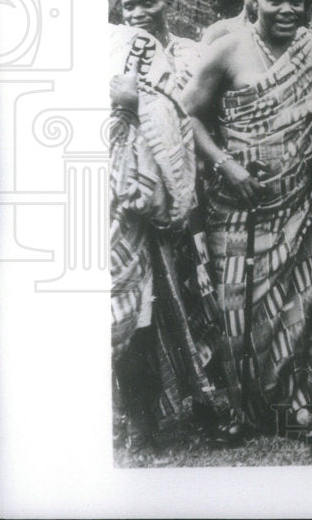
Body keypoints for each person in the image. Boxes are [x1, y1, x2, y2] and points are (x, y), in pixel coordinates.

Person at [181, 0, 312, 439]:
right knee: (237, 300)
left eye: (297, 2)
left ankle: (299, 405)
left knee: (302, 298)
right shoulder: (226, 50)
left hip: (300, 196)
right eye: (276, 0)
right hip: (239, 201)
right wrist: (225, 163)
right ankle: (239, 408)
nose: (288, 10)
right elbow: (188, 113)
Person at [110, 23, 233, 457]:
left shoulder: (150, 73)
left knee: (182, 312)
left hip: (162, 228)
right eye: (131, 3)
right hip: (113, 225)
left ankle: (203, 404)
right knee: (128, 321)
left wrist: (171, 205)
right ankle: (137, 423)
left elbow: (172, 135)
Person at [116, 0, 203, 87]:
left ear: (169, 3)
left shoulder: (191, 53)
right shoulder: (115, 52)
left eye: (148, 4)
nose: (138, 14)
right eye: (129, 7)